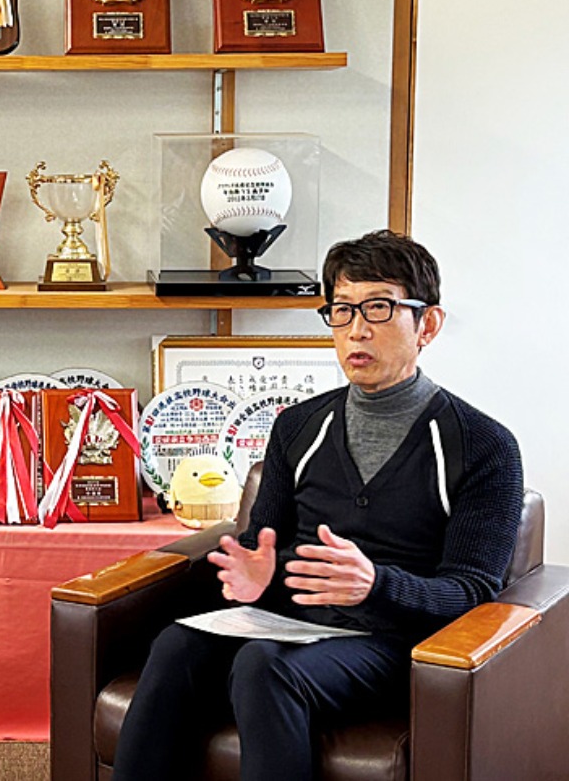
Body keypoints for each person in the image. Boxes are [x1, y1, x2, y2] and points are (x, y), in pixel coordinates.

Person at [112, 230, 524, 781]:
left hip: (393, 640)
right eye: (342, 309)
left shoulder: (484, 445)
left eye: (379, 308)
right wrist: (258, 578)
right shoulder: (298, 427)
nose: (357, 329)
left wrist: (375, 585)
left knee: (263, 667)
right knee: (175, 645)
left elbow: (473, 592)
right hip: (291, 623)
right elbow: (264, 548)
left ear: (427, 324)